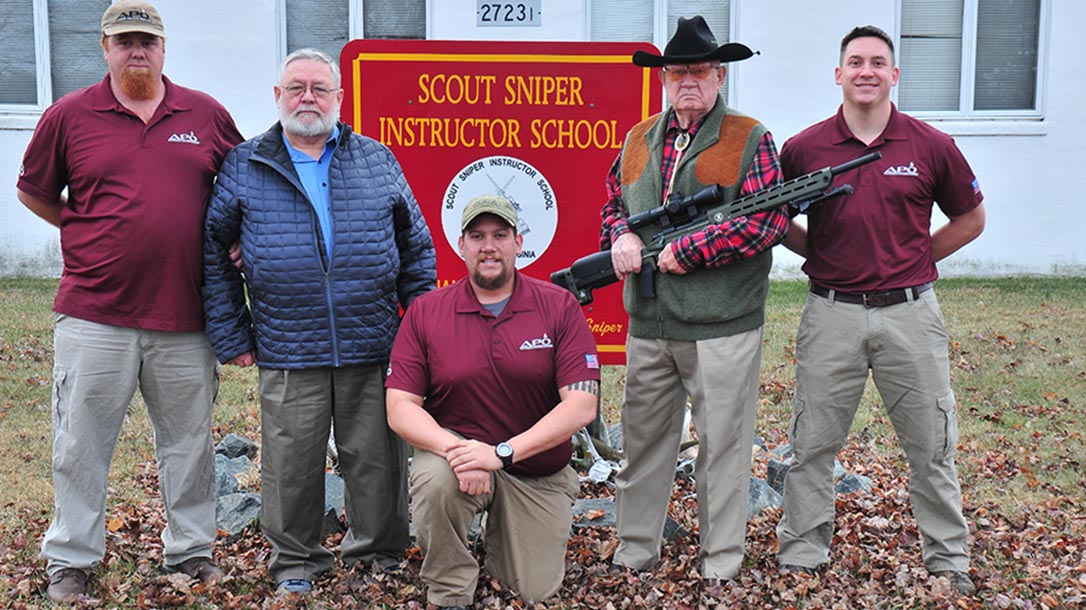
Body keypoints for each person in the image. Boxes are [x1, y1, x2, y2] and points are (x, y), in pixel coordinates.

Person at [15, 0, 243, 602]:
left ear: (164, 48)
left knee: (189, 443)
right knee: (80, 443)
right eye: (124, 42)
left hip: (184, 315)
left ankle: (192, 552)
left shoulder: (205, 113)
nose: (136, 51)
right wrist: (82, 226)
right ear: (105, 48)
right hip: (95, 312)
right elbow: (35, 192)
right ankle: (71, 559)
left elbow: (242, 187)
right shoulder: (69, 115)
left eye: (146, 41)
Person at [201, 48, 435, 594]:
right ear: (277, 97)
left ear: (339, 98)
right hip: (288, 344)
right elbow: (214, 253)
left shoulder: (376, 159)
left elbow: (416, 249)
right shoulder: (245, 163)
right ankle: (297, 564)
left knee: (377, 461)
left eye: (319, 88)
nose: (308, 97)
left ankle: (377, 555)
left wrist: (416, 329)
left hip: (373, 340)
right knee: (290, 466)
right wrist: (233, 333)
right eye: (296, 87)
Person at [775, 26, 985, 596]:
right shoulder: (805, 149)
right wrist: (814, 250)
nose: (866, 71)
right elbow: (770, 218)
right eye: (854, 62)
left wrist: (917, 257)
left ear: (894, 75)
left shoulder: (929, 144)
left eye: (877, 63)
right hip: (831, 313)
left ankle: (948, 560)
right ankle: (801, 554)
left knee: (931, 445)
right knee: (813, 443)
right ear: (838, 74)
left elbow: (971, 218)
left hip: (910, 316)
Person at [599, 15, 789, 586]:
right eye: (677, 70)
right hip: (650, 323)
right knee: (642, 446)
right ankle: (635, 554)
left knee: (723, 451)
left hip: (722, 325)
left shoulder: (750, 137)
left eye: (699, 70)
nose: (687, 80)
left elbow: (768, 220)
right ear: (662, 79)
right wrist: (621, 236)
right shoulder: (638, 138)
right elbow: (613, 203)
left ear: (719, 75)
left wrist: (697, 249)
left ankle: (722, 563)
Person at [385, 195, 600, 609]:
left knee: (530, 590)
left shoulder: (558, 306)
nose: (489, 246)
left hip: (535, 470)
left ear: (519, 243)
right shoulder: (427, 312)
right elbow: (400, 406)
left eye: (500, 235)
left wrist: (500, 454)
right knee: (434, 482)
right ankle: (450, 588)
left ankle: (502, 541)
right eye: (477, 236)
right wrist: (458, 452)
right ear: (461, 245)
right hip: (458, 459)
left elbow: (581, 406)